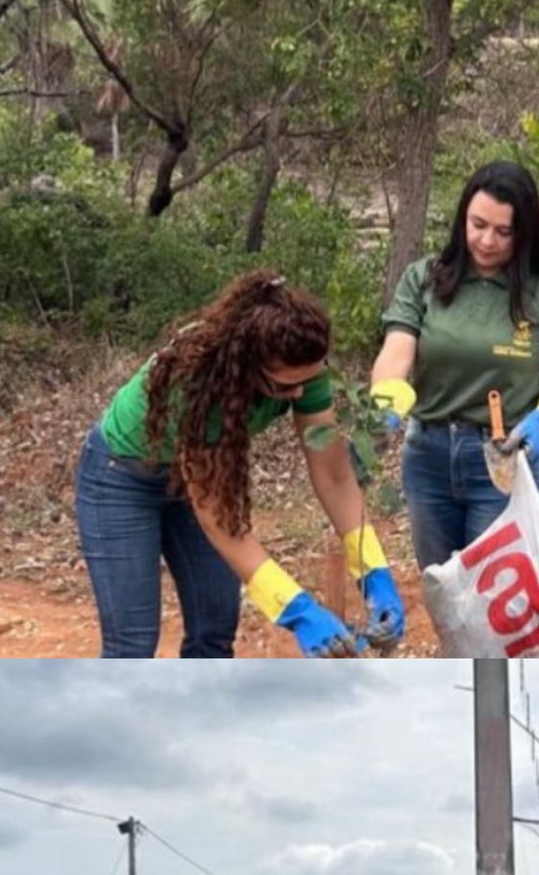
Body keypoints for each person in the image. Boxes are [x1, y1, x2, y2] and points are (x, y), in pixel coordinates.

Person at [75, 269, 405, 658]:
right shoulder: (196, 379)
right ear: (246, 365)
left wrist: (373, 573)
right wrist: (297, 611)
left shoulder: (304, 365)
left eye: (307, 380)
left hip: (187, 481)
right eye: (284, 386)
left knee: (214, 631)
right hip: (121, 479)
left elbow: (334, 477)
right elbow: (217, 517)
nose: (298, 393)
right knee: (132, 646)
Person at [369, 162, 539, 569]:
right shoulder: (425, 279)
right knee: (446, 593)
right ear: (462, 216)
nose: (486, 241)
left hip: (502, 460)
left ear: (525, 234)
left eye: (503, 232)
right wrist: (384, 406)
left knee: (498, 599)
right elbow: (396, 354)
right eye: (477, 224)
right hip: (428, 458)